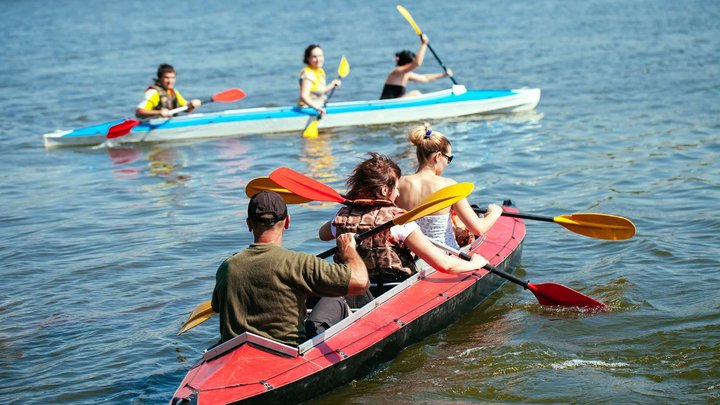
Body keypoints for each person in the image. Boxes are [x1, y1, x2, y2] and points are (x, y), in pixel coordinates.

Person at [211, 190, 369, 346]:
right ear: (287, 222)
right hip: (287, 351)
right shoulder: (299, 263)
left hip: (235, 352)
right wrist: (348, 249)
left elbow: (217, 307)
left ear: (249, 224)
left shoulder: (227, 267)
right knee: (335, 299)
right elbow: (361, 283)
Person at [319, 153, 489, 291]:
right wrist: (475, 263)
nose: (398, 194)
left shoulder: (341, 216)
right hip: (393, 289)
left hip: (354, 287)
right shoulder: (399, 221)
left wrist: (350, 209)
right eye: (396, 188)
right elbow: (445, 265)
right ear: (385, 189)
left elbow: (323, 234)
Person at [397, 124, 502, 250]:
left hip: (412, 254)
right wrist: (495, 212)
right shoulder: (448, 185)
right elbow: (479, 229)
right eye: (449, 159)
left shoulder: (399, 183)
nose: (448, 164)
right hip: (445, 253)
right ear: (438, 157)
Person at [380, 34, 453, 100]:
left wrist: (443, 74)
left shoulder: (406, 74)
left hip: (394, 104)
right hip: (385, 105)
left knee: (415, 93)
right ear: (407, 63)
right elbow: (417, 63)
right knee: (415, 93)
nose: (412, 67)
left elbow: (425, 78)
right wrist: (424, 44)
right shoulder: (397, 72)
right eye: (411, 63)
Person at [135, 64, 201, 119]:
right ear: (160, 78)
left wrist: (192, 104)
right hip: (155, 126)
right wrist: (159, 112)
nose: (170, 81)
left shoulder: (173, 92)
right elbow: (139, 112)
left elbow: (187, 109)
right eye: (166, 78)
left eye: (172, 78)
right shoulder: (154, 93)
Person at [298, 44, 342, 116]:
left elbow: (319, 91)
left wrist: (332, 84)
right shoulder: (307, 74)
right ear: (308, 58)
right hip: (308, 110)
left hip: (319, 108)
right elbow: (304, 96)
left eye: (320, 56)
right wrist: (317, 108)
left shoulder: (320, 72)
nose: (318, 59)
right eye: (314, 57)